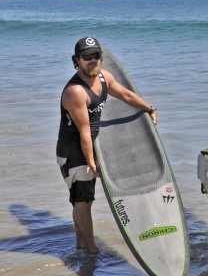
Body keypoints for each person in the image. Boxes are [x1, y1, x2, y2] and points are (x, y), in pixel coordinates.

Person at [56, 37, 159, 253]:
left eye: (96, 56)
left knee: (84, 201)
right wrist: (92, 163)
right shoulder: (75, 91)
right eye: (86, 57)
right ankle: (92, 249)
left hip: (88, 147)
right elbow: (84, 131)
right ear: (76, 60)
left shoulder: (104, 78)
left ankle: (81, 246)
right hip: (73, 151)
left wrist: (149, 108)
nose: (93, 61)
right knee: (82, 201)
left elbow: (125, 94)